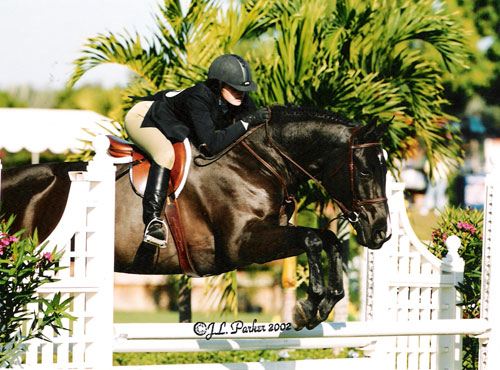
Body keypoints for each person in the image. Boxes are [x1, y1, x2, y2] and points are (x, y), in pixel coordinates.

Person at [124, 54, 270, 247]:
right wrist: (246, 121)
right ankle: (152, 222)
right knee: (165, 154)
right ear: (219, 85)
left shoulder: (240, 100)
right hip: (144, 117)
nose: (240, 94)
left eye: (243, 89)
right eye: (235, 88)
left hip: (172, 123)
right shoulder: (198, 97)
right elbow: (211, 145)